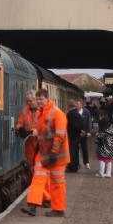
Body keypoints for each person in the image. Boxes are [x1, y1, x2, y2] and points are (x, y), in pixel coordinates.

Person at [22, 89, 69, 217]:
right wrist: (31, 132)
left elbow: (60, 135)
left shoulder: (57, 113)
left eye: (41, 99)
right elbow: (39, 130)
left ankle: (59, 210)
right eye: (37, 99)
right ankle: (32, 205)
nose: (38, 101)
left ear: (47, 98)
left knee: (57, 183)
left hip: (57, 155)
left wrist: (54, 152)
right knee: (38, 178)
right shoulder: (40, 113)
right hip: (43, 154)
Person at [17, 90, 51, 207]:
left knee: (40, 175)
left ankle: (45, 198)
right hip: (30, 147)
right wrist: (20, 129)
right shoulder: (25, 111)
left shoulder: (43, 112)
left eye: (31, 101)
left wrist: (37, 132)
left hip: (40, 146)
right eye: (27, 101)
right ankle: (41, 198)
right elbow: (20, 123)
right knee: (35, 173)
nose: (29, 103)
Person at [67, 99, 91, 172]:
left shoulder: (71, 113)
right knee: (76, 150)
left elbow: (85, 122)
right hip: (78, 134)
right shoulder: (76, 113)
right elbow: (81, 122)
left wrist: (84, 131)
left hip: (74, 135)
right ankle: (76, 165)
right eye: (76, 104)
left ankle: (76, 166)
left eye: (78, 104)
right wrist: (81, 130)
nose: (77, 105)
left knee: (76, 150)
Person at [95, 111, 113, 177]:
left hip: (103, 143)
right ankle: (108, 173)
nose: (99, 117)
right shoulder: (109, 123)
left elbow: (101, 134)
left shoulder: (102, 123)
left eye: (99, 116)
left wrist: (97, 134)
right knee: (108, 159)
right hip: (110, 143)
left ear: (102, 116)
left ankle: (101, 172)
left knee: (102, 158)